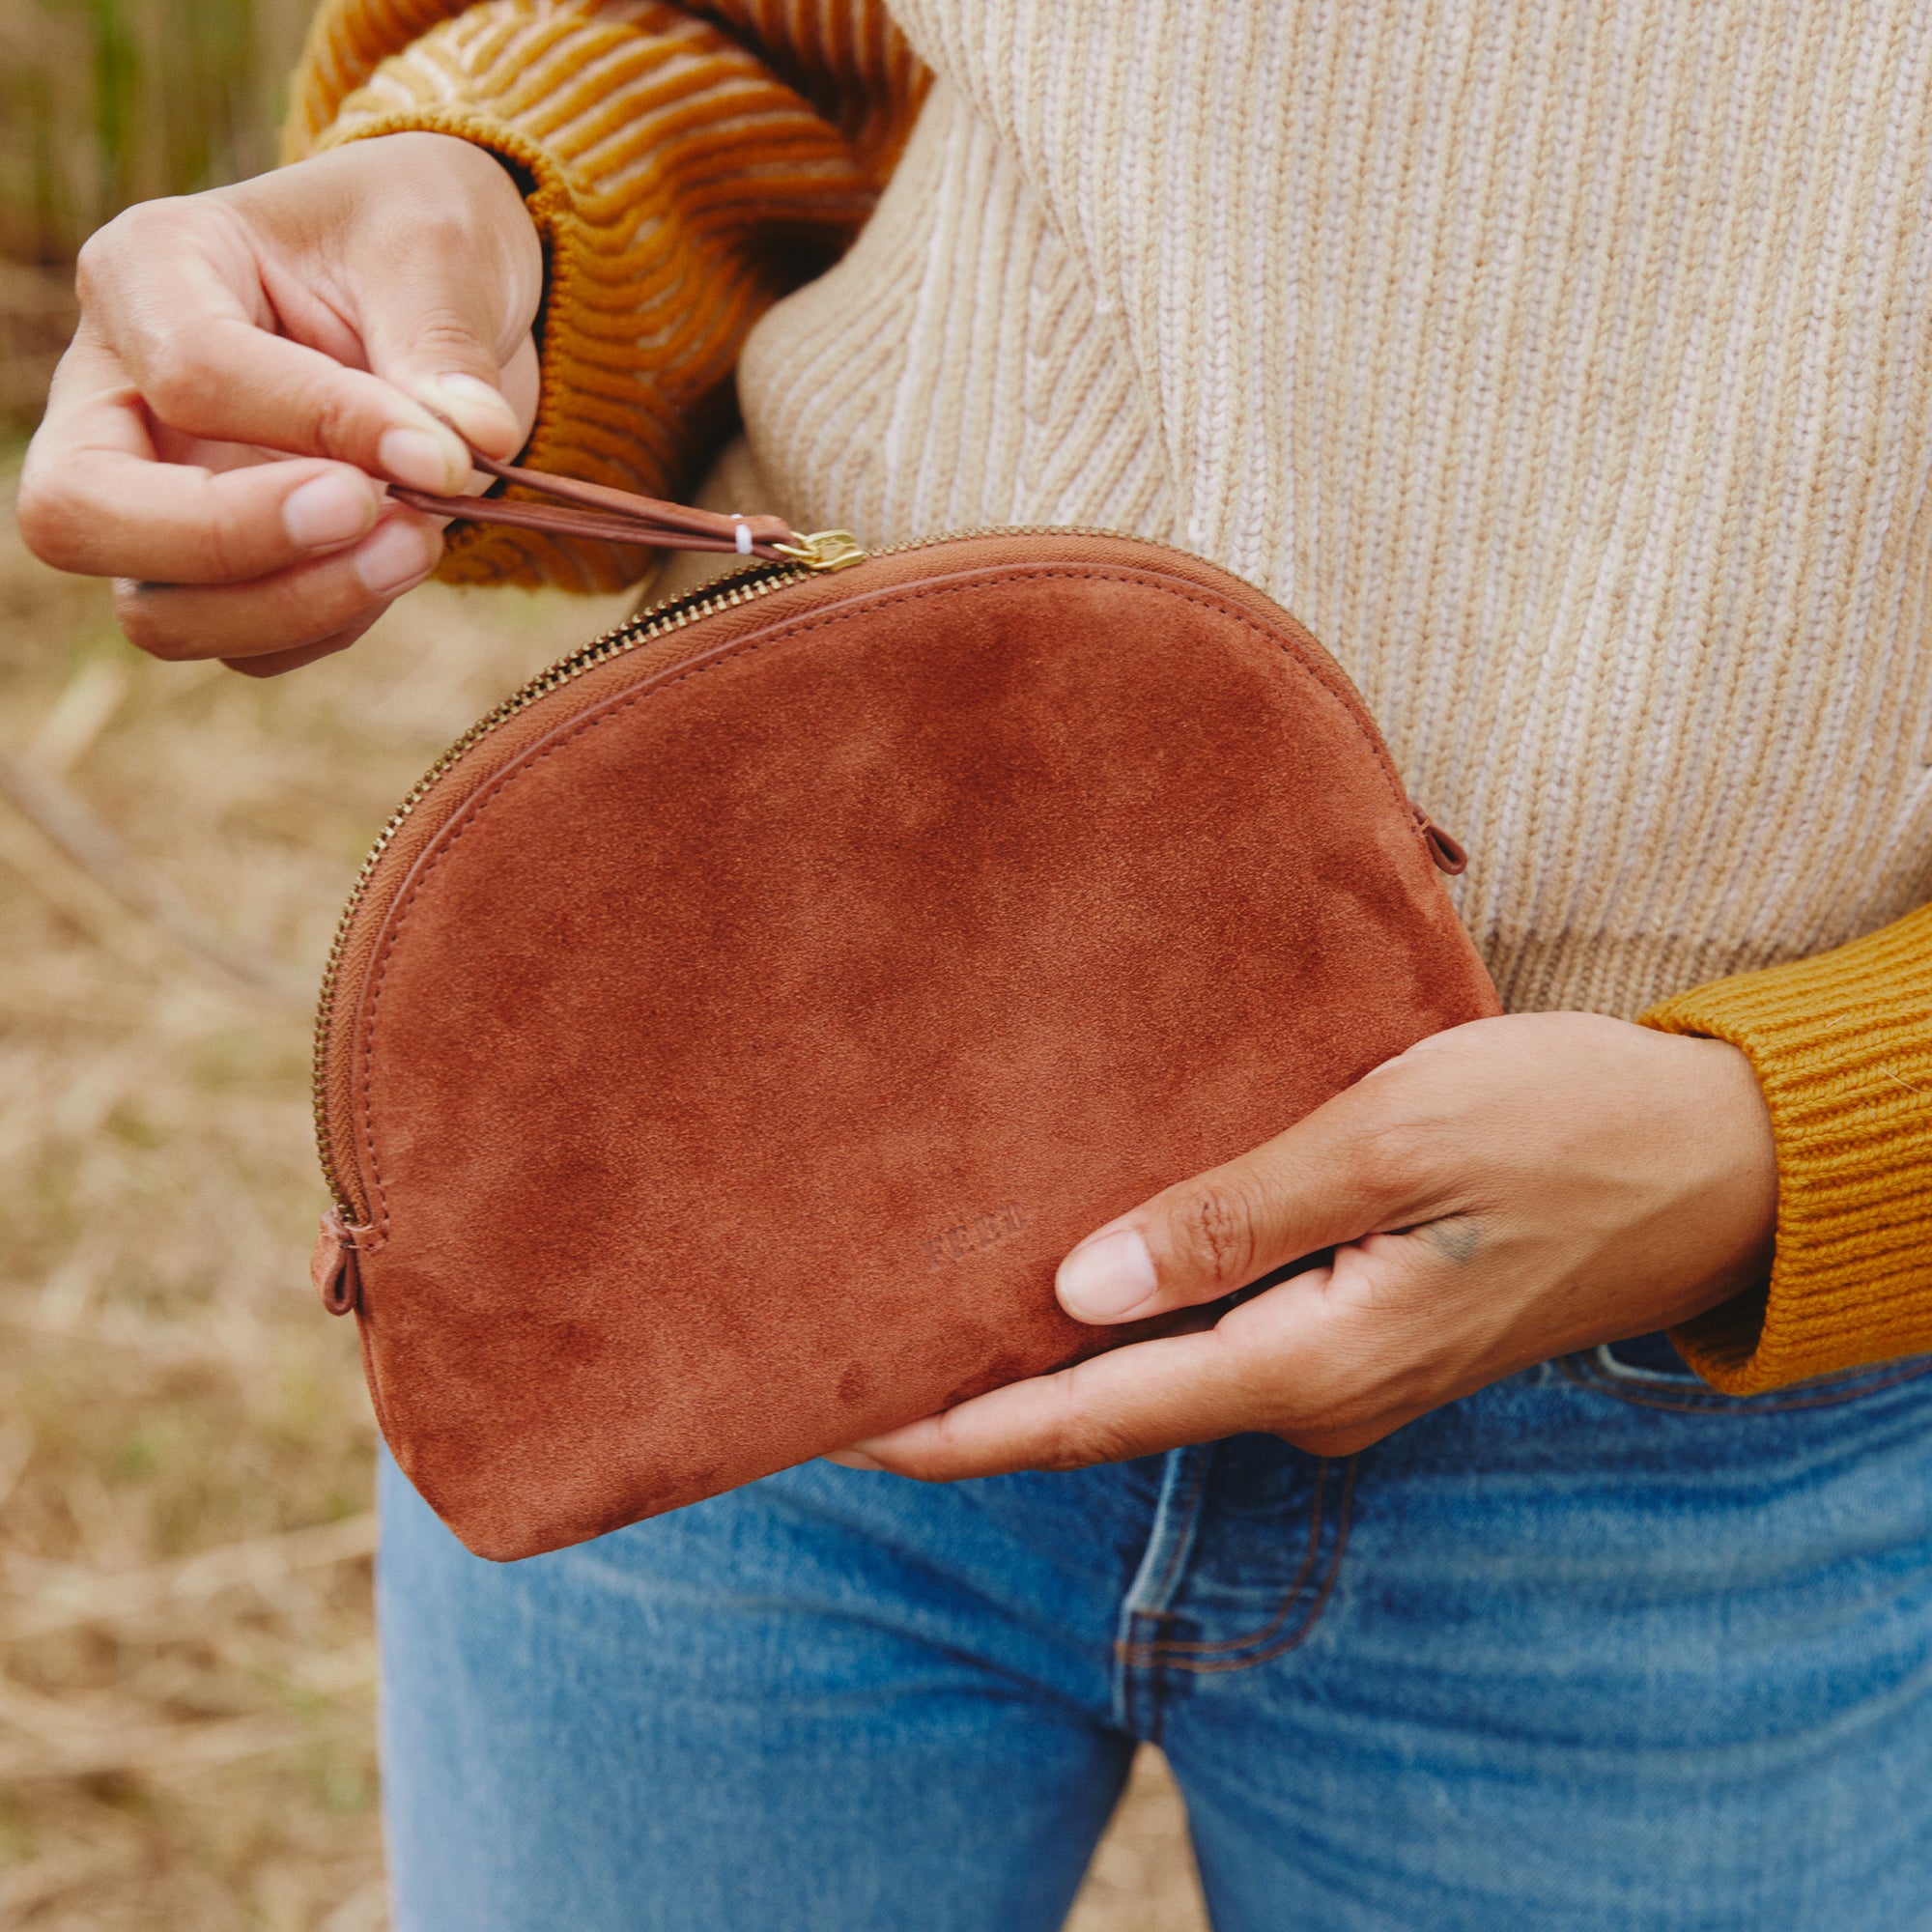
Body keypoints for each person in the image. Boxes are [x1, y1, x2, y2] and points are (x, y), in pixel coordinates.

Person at [19, 4, 1932, 1926]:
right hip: (746, 1251)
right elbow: (746, 37)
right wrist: (484, 200)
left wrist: (1784, 1140)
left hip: (1702, 1445)